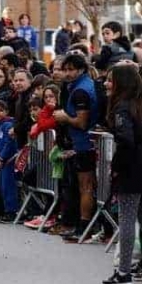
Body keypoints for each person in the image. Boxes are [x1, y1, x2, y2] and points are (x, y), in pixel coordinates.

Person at [102, 64, 142, 284]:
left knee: (127, 219)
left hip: (131, 168)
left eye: (111, 80)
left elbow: (126, 140)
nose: (107, 84)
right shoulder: (137, 104)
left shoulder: (123, 107)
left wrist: (117, 166)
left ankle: (124, 272)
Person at [53, 53, 98, 242]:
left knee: (85, 186)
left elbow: (81, 122)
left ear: (81, 70)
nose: (67, 73)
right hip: (79, 143)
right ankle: (80, 226)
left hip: (84, 144)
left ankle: (84, 227)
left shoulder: (82, 90)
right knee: (81, 187)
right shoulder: (76, 86)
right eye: (65, 69)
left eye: (71, 69)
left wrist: (64, 118)